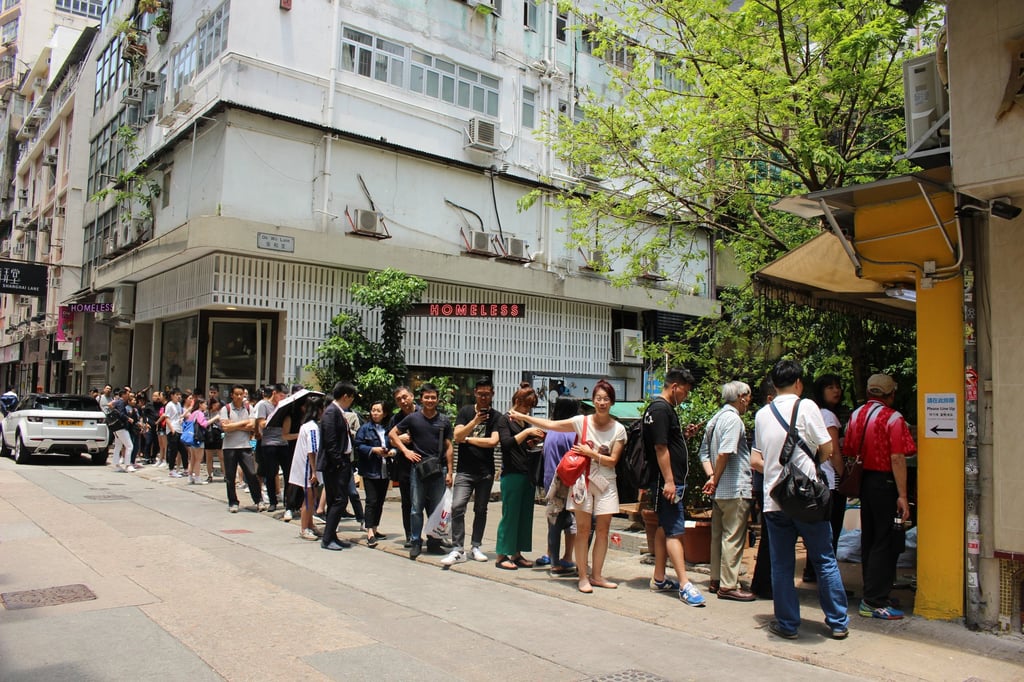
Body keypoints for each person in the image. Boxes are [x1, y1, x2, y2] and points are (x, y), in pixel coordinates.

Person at [754, 360, 848, 640]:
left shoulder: (762, 414)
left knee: (782, 566)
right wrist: (812, 463)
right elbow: (827, 448)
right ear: (798, 383)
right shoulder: (807, 406)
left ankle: (787, 624)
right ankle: (838, 622)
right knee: (824, 559)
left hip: (775, 499)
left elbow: (758, 458)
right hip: (807, 499)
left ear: (774, 385)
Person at [510, 379, 626, 593]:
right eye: (598, 398)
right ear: (593, 400)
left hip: (606, 484)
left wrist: (591, 454)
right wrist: (524, 417)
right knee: (582, 530)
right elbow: (552, 425)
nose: (602, 402)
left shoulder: (619, 429)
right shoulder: (582, 421)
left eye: (606, 399)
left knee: (603, 530)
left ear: (612, 402)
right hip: (583, 482)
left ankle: (597, 576)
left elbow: (612, 461)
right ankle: (583, 577)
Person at [842, 373, 917, 620]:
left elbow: (849, 448)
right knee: (885, 541)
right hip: (886, 483)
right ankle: (874, 601)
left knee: (870, 538)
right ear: (890, 394)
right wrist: (902, 495)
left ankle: (873, 593)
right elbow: (898, 457)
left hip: (865, 483)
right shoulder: (893, 419)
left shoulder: (856, 415)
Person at [638, 368, 707, 606]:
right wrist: (669, 481)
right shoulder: (661, 409)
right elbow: (660, 447)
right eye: (685, 392)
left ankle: (659, 577)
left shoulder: (661, 409)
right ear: (675, 387)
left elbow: (667, 443)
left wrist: (683, 437)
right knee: (675, 531)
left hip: (668, 480)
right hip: (667, 482)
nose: (685, 397)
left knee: (664, 527)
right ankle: (685, 584)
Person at [698, 380, 756, 602]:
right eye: (748, 397)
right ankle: (728, 585)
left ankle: (716, 579)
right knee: (733, 536)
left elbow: (704, 454)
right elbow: (725, 452)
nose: (748, 401)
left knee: (718, 536)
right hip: (734, 487)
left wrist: (712, 478)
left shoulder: (715, 420)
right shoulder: (733, 420)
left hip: (720, 491)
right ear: (741, 397)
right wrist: (715, 478)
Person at [389, 383, 453, 560]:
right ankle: (416, 541)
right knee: (416, 508)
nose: (430, 400)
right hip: (418, 469)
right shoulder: (413, 418)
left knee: (437, 508)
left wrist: (450, 472)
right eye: (427, 397)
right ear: (421, 399)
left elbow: (449, 447)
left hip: (438, 469)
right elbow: (392, 434)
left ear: (437, 399)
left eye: (433, 397)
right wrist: (405, 451)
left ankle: (434, 542)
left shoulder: (444, 421)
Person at [442, 379, 500, 566]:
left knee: (481, 509)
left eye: (487, 394)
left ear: (492, 394)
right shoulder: (466, 412)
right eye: (480, 394)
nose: (484, 397)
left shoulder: (497, 417)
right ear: (475, 393)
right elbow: (457, 436)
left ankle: (476, 546)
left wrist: (467, 439)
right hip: (465, 471)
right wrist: (474, 422)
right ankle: (458, 549)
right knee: (457, 506)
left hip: (485, 472)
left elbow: (492, 442)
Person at [492, 384, 545, 570]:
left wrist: (533, 440)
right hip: (512, 472)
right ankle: (501, 555)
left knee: (524, 515)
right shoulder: (504, 420)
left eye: (530, 407)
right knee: (510, 515)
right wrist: (527, 432)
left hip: (527, 472)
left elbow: (522, 445)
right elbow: (506, 444)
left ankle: (517, 553)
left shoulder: (525, 422)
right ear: (517, 402)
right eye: (526, 406)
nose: (528, 410)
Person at [804, 373, 848, 584]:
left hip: (816, 480)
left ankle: (811, 570)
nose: (836, 390)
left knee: (818, 530)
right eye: (830, 387)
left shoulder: (814, 414)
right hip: (831, 481)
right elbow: (834, 452)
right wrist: (845, 476)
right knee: (831, 530)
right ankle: (826, 578)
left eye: (837, 386)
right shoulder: (829, 417)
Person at [540, 397, 579, 576]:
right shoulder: (572, 433)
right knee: (572, 522)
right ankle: (567, 557)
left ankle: (553, 559)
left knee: (553, 520)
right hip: (568, 483)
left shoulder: (551, 431)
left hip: (550, 481)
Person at [319, 381, 358, 551]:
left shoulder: (337, 412)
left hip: (341, 462)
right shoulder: (331, 412)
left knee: (336, 500)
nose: (352, 401)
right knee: (339, 500)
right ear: (346, 396)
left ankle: (332, 536)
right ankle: (327, 538)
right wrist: (339, 462)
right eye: (352, 397)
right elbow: (330, 441)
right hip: (335, 465)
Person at [355, 400, 396, 547]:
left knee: (379, 502)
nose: (375, 413)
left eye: (378, 411)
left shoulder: (388, 429)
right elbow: (358, 445)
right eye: (373, 410)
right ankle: (369, 533)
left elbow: (395, 444)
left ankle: (375, 528)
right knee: (371, 501)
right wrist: (373, 450)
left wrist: (392, 452)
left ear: (385, 413)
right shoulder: (365, 429)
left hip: (385, 470)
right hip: (370, 470)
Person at [749, 378, 776, 600]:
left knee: (769, 537)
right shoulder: (765, 418)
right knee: (770, 537)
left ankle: (762, 583)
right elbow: (755, 460)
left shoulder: (764, 417)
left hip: (766, 483)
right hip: (767, 484)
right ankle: (764, 584)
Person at [219, 385, 264, 512]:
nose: (239, 397)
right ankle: (233, 502)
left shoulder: (249, 408)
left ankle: (258, 500)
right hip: (229, 447)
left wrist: (233, 425)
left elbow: (252, 425)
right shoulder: (226, 409)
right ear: (232, 395)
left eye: (241, 394)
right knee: (230, 476)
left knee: (251, 474)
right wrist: (243, 424)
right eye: (237, 394)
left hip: (245, 446)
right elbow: (225, 428)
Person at [289, 396, 324, 541]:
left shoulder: (307, 426)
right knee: (308, 499)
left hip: (307, 466)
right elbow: (312, 450)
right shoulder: (312, 428)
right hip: (307, 468)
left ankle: (310, 524)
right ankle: (304, 528)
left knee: (313, 496)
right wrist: (314, 471)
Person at [388, 385, 418, 547]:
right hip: (405, 464)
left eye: (405, 397)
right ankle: (410, 535)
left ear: (412, 396)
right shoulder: (396, 419)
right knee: (407, 502)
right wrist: (401, 439)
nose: (403, 401)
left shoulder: (423, 412)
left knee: (430, 501)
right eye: (399, 399)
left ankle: (436, 536)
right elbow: (390, 440)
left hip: (425, 462)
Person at [257, 384, 290, 512]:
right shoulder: (263, 405)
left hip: (283, 442)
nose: (282, 398)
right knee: (271, 473)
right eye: (281, 396)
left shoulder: (284, 405)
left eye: (284, 396)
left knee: (288, 473)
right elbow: (261, 423)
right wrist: (274, 416)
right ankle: (272, 501)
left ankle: (288, 500)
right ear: (274, 393)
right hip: (269, 443)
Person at [186, 397, 215, 485]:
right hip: (198, 438)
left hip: (192, 437)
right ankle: (197, 478)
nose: (206, 405)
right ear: (200, 405)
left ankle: (190, 477)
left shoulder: (193, 413)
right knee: (198, 459)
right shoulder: (200, 413)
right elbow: (204, 424)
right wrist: (215, 418)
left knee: (192, 459)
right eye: (205, 404)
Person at [163, 388, 190, 478]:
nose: (179, 397)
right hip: (173, 430)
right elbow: (167, 418)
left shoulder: (178, 405)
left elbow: (178, 416)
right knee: (173, 451)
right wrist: (172, 429)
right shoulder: (169, 405)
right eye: (177, 395)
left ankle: (186, 469)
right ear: (172, 396)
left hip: (179, 429)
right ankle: (171, 470)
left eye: (180, 395)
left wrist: (181, 419)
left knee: (183, 451)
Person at [108, 388, 136, 472]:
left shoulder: (118, 401)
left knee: (118, 446)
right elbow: (121, 414)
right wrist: (128, 418)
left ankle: (117, 465)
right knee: (129, 446)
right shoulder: (121, 402)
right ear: (123, 394)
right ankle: (128, 465)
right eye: (127, 393)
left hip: (116, 427)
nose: (129, 395)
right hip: (121, 427)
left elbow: (109, 404)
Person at [204, 398, 224, 482]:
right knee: (209, 457)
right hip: (209, 435)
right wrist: (215, 418)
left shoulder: (221, 412)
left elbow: (223, 424)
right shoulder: (206, 412)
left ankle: (225, 475)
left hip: (218, 435)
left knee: (221, 457)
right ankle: (209, 475)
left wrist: (220, 420)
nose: (217, 406)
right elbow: (205, 423)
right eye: (215, 404)